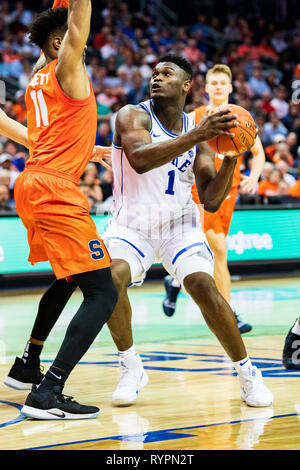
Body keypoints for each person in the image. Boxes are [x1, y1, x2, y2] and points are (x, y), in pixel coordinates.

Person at [5, 54, 273, 410]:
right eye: (155, 73)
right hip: (132, 223)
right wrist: (198, 134)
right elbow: (141, 158)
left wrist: (234, 156)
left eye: (167, 73)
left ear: (187, 84)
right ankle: (130, 365)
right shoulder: (132, 115)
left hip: (180, 223)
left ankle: (247, 372)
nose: (157, 78)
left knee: (202, 285)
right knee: (111, 277)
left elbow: (210, 200)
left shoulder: (201, 134)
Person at [4, 2, 119, 420]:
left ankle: (29, 365)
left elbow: (12, 127)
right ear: (60, 42)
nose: (83, 46)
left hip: (34, 182)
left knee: (70, 276)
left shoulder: (39, 76)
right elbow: (77, 19)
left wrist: (82, 151)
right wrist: (73, 12)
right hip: (54, 190)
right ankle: (48, 391)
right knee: (103, 292)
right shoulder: (67, 66)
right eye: (76, 40)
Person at [162, 64, 265, 334]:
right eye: (214, 83)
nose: (218, 87)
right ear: (206, 88)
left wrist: (254, 175)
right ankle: (229, 312)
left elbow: (259, 152)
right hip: (199, 190)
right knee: (218, 248)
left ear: (230, 88)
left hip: (228, 193)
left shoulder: (241, 117)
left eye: (223, 83)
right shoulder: (194, 117)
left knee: (204, 250)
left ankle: (173, 283)